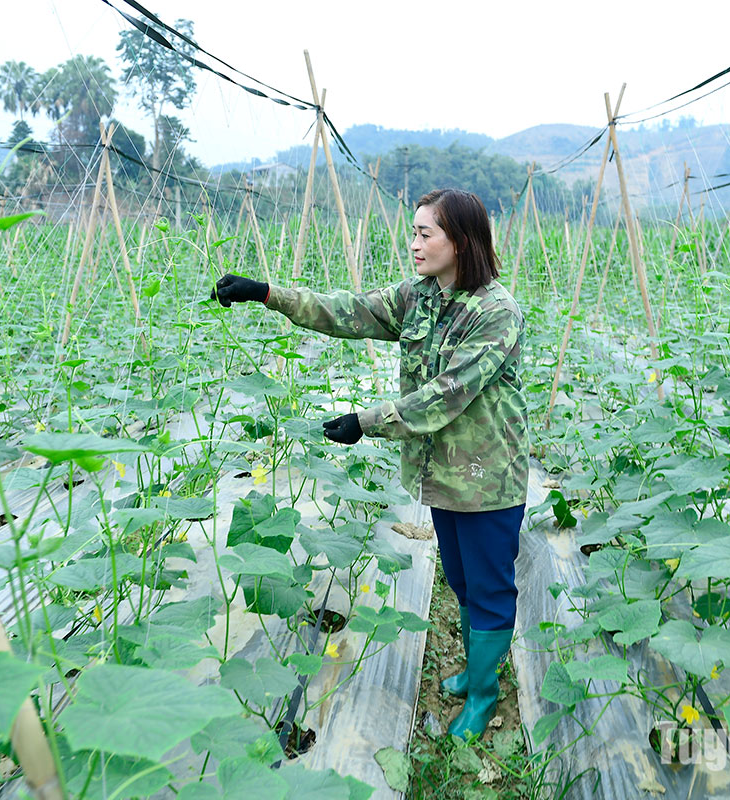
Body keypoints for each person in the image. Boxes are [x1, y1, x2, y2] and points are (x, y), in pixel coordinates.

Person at [211, 188, 528, 739]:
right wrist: (267, 293)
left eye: (426, 233)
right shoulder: (419, 296)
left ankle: (482, 696)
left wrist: (367, 421)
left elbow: (448, 392)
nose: (414, 244)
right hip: (442, 473)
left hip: (486, 476)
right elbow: (348, 310)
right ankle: (478, 675)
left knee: (491, 589)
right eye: (414, 231)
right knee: (460, 577)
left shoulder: (496, 312)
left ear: (462, 240)